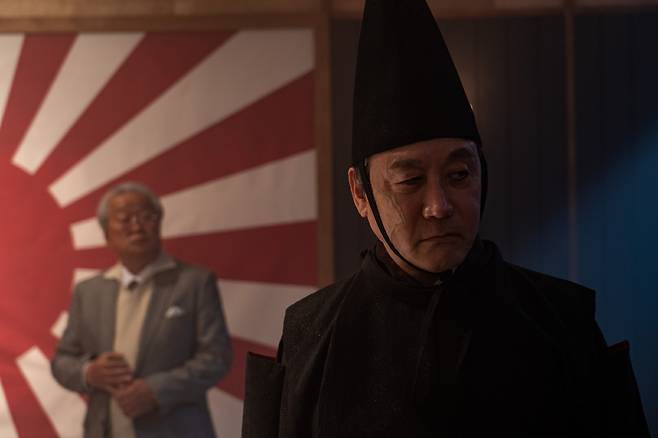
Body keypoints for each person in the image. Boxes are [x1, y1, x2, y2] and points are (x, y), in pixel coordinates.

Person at [241, 0, 649, 437]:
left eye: (458, 175)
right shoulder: (309, 337)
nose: (439, 206)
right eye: (410, 181)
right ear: (360, 193)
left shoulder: (562, 321)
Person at [52, 182, 232, 438]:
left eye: (146, 216)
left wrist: (156, 390)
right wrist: (89, 372)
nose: (136, 226)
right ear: (106, 233)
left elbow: (216, 357)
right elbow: (62, 361)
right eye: (125, 219)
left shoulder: (194, 283)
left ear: (159, 222)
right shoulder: (88, 291)